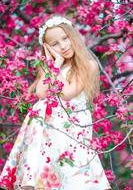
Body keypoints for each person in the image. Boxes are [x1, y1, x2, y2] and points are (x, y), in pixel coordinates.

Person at [0, 15, 111, 190]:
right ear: (48, 49)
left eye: (65, 38)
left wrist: (56, 68)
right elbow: (41, 93)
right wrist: (54, 65)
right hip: (48, 132)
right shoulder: (52, 67)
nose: (63, 46)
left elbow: (67, 93)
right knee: (49, 177)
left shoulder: (87, 65)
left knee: (72, 175)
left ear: (73, 36)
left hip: (71, 129)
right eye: (55, 44)